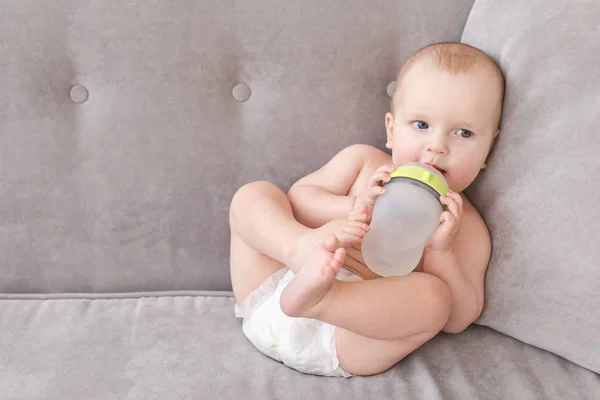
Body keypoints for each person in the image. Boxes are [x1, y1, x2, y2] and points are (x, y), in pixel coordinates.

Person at [229, 42, 505, 377]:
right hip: (272, 291)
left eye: (464, 133)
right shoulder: (364, 162)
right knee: (255, 196)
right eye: (421, 125)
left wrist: (441, 251)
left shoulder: (467, 227)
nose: (437, 146)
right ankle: (295, 247)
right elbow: (299, 199)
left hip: (345, 340)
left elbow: (459, 319)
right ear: (392, 129)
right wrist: (352, 206)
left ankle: (324, 299)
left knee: (435, 299)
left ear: (488, 150)